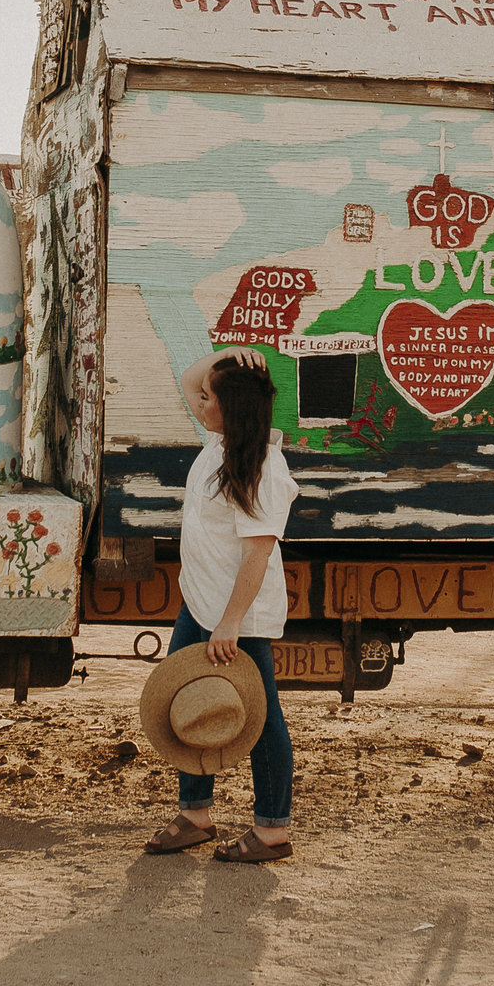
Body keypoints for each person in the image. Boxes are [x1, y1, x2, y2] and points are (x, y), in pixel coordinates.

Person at [142, 345, 299, 862]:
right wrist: (225, 355)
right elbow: (191, 380)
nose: (199, 402)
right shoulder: (218, 442)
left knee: (261, 718)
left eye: (210, 399)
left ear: (229, 409)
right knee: (191, 703)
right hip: (202, 606)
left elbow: (258, 556)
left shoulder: (260, 467)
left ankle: (272, 831)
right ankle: (194, 815)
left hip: (238, 617)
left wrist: (230, 624)